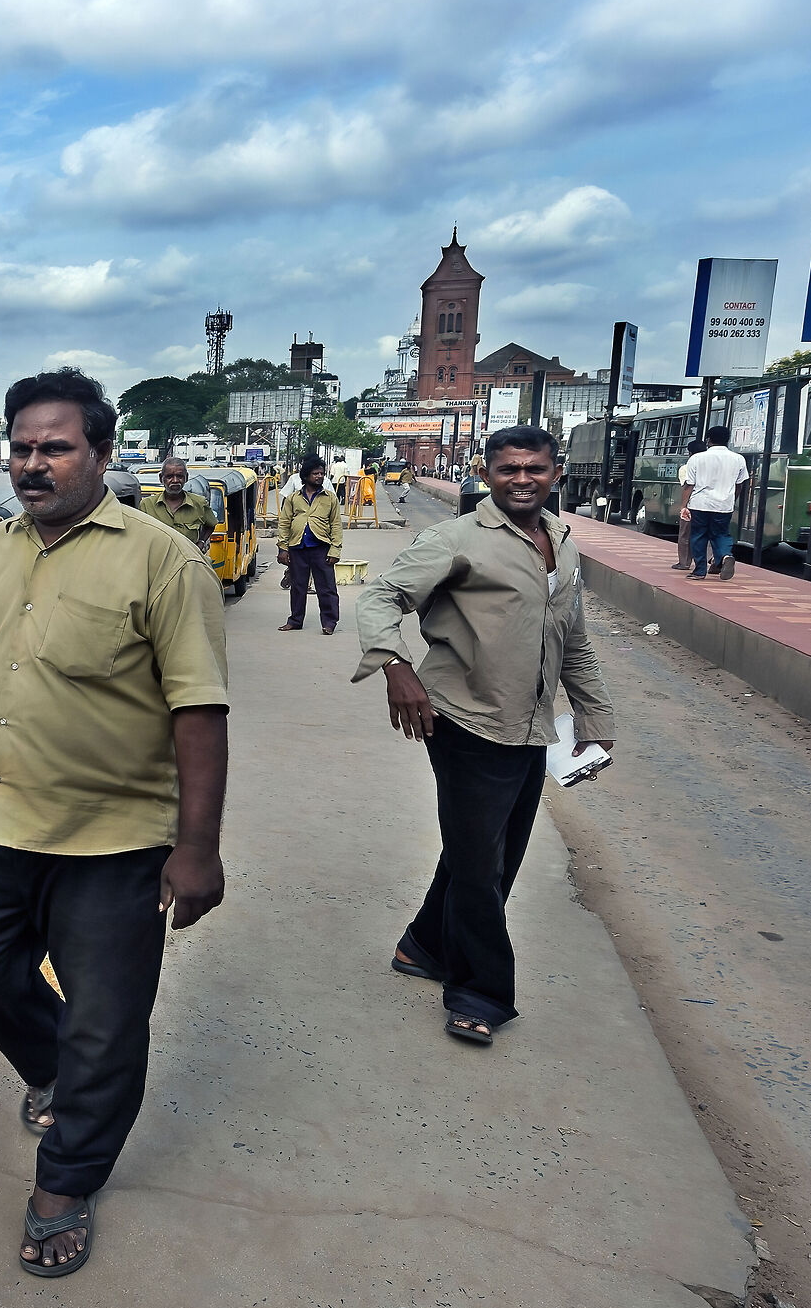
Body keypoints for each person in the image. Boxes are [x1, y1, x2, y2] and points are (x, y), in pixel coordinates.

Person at [0, 367, 229, 1278]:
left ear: (100, 453)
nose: (34, 464)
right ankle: (59, 1070)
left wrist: (197, 848)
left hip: (114, 839)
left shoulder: (162, 560)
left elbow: (199, 711)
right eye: (21, 447)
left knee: (108, 1021)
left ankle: (66, 1180)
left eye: (55, 446)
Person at [354, 424, 615, 1046]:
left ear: (556, 474)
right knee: (481, 867)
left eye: (534, 469)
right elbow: (382, 597)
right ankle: (479, 991)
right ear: (487, 473)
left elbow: (572, 637)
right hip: (465, 719)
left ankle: (424, 945)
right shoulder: (456, 539)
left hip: (528, 726)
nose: (521, 479)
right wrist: (396, 666)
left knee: (491, 852)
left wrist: (594, 719)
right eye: (508, 469)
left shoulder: (561, 541)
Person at [276, 456, 342, 634]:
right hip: (297, 547)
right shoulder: (293, 498)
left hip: (321, 548)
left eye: (321, 473)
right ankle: (295, 620)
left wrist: (335, 549)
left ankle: (329, 623)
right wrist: (283, 548)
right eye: (315, 473)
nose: (319, 476)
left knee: (326, 588)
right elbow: (284, 523)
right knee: (298, 587)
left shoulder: (330, 498)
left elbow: (336, 524)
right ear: (305, 476)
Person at [681, 426, 747, 580]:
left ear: (708, 440)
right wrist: (732, 499)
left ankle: (699, 571)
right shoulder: (738, 459)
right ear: (727, 440)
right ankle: (725, 556)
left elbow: (689, 484)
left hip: (699, 504)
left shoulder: (696, 458)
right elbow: (740, 484)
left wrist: (683, 506)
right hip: (724, 505)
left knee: (698, 536)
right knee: (721, 534)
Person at [139, 459, 211, 548]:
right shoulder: (146, 505)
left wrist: (201, 542)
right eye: (169, 477)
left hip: (188, 559)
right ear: (161, 478)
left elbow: (211, 524)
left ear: (186, 477)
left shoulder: (200, 503)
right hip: (158, 559)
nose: (175, 480)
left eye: (180, 476)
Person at [668, 438, 707, 570]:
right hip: (713, 506)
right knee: (708, 534)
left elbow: (687, 487)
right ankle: (711, 561)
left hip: (693, 505)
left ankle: (684, 562)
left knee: (685, 534)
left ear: (690, 453)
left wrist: (683, 506)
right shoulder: (714, 466)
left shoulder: (686, 468)